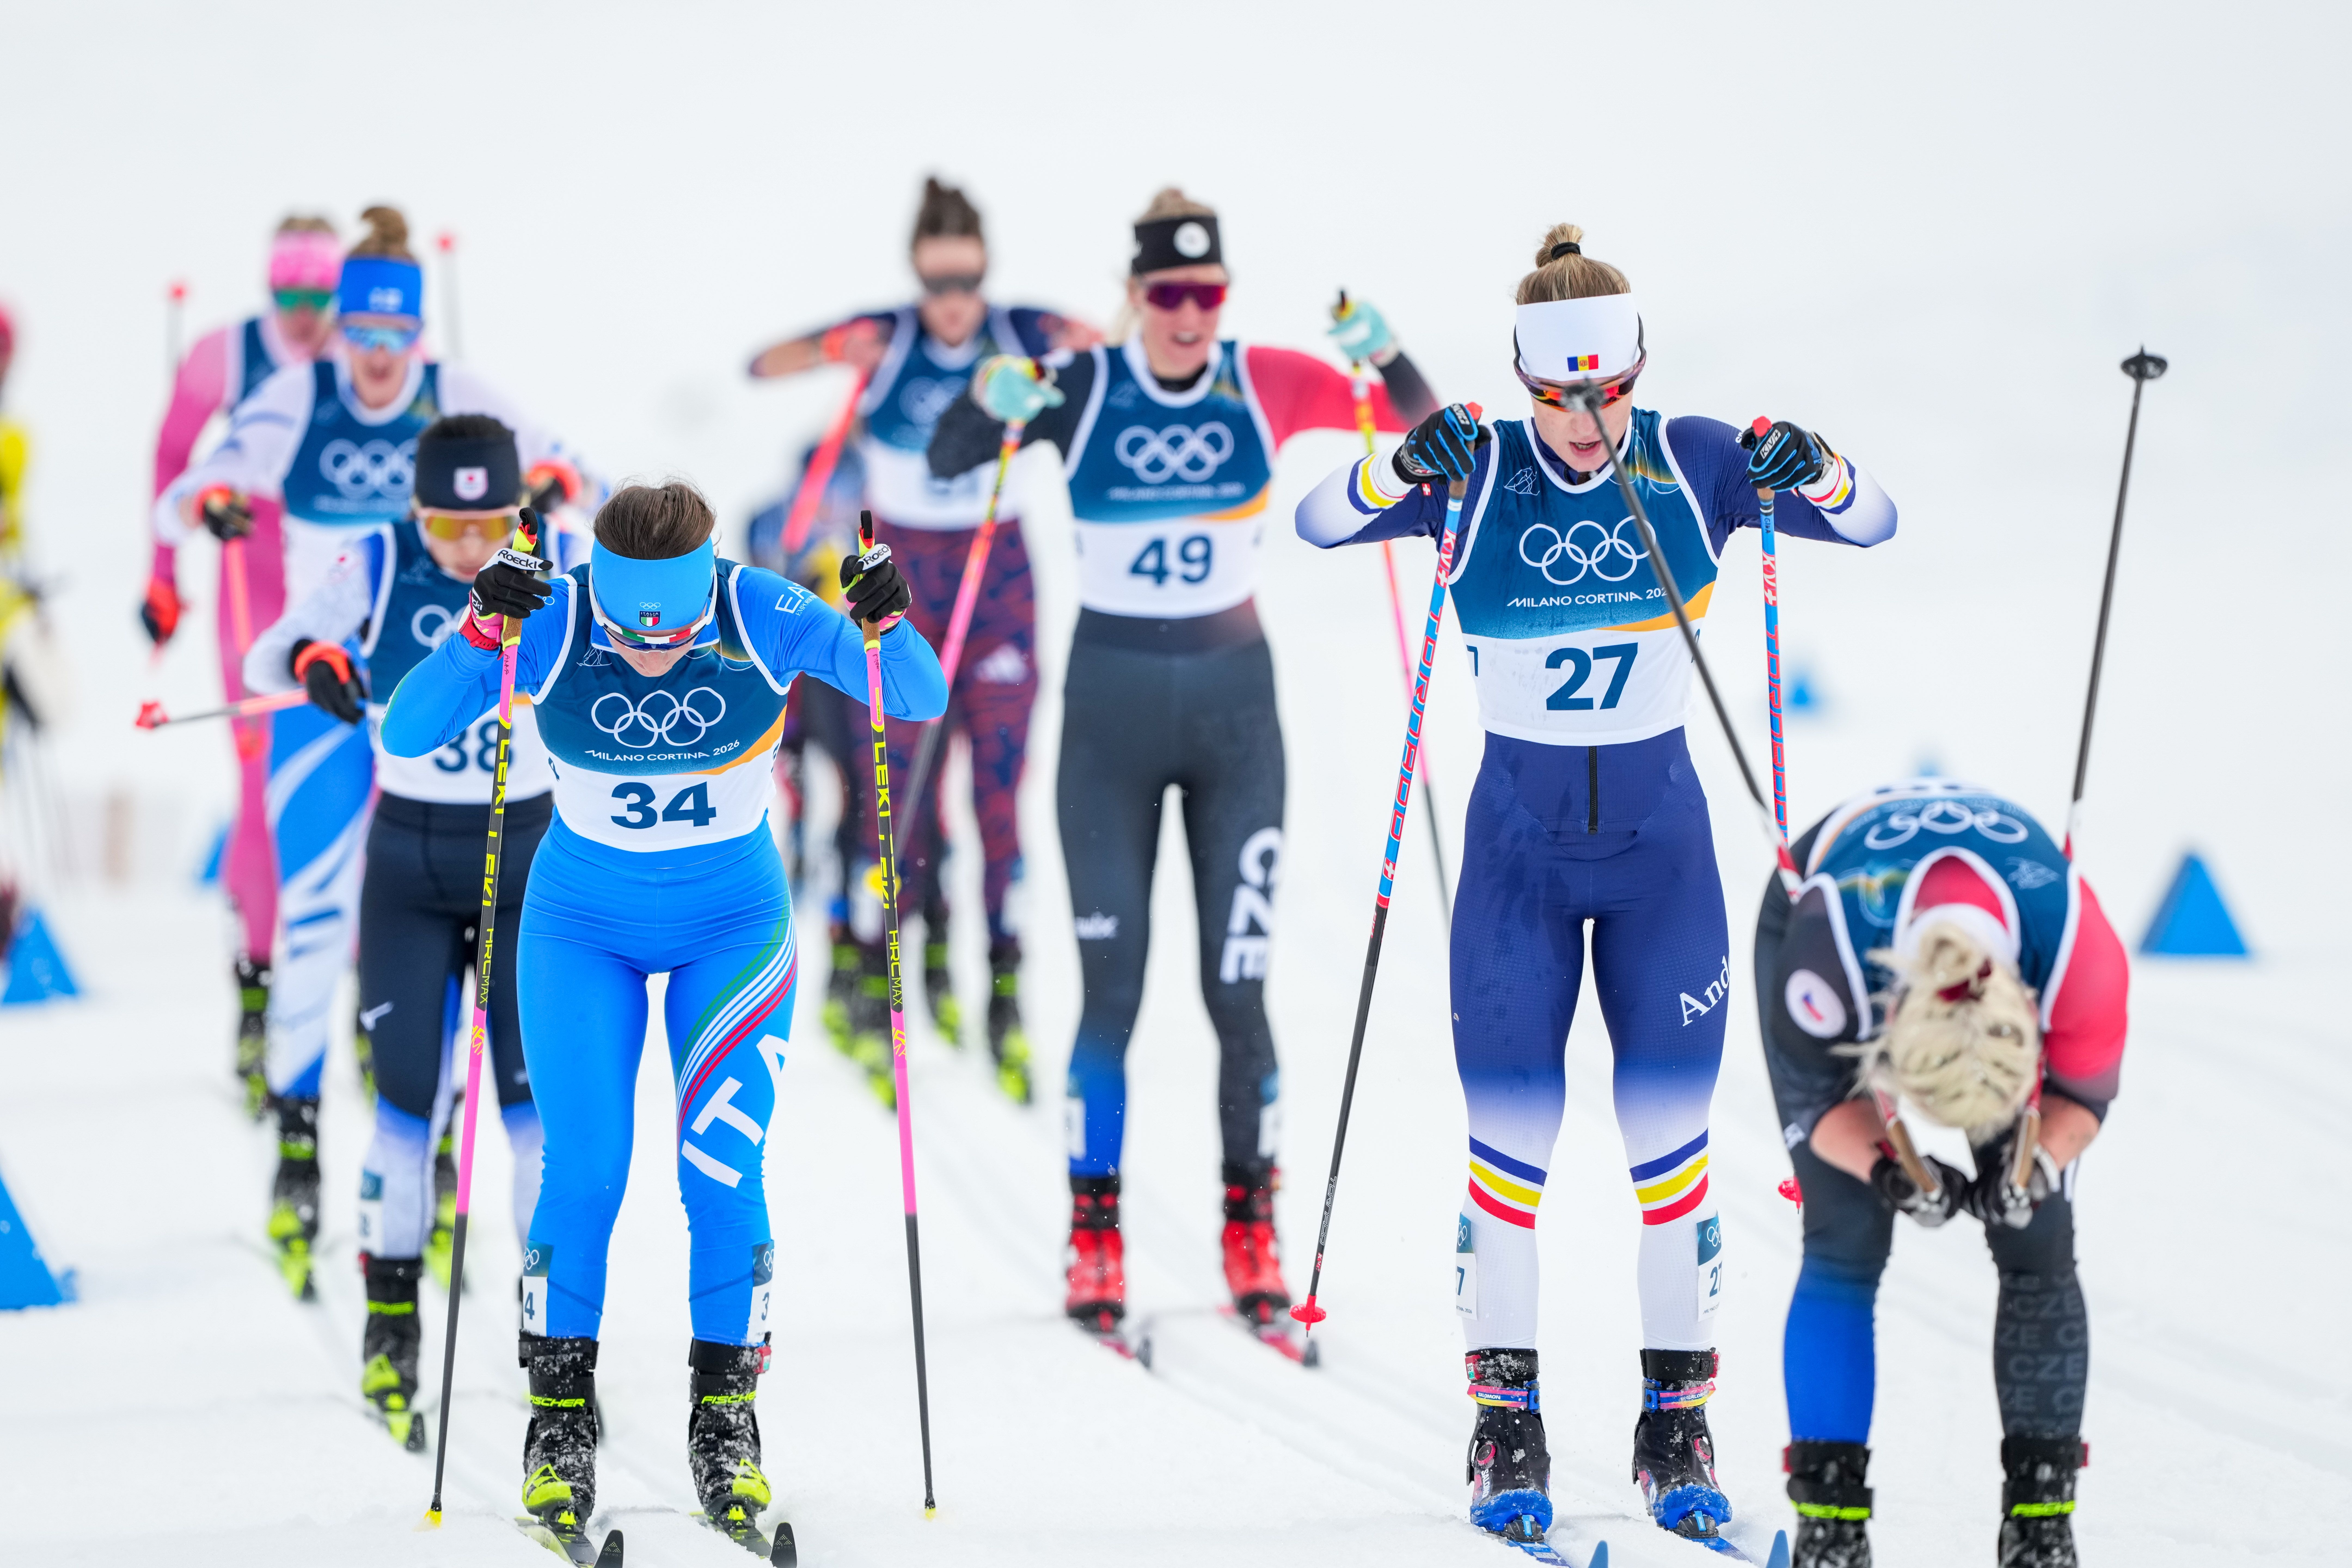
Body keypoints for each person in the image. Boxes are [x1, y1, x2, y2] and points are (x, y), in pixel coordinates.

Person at [1293, 223, 1899, 1551]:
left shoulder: (1689, 461)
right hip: (1514, 862)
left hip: (1660, 863)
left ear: (1637, 373)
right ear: (1523, 381)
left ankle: (1674, 1423)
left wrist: (1819, 461)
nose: (1584, 419)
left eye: (1607, 389)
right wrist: (1401, 458)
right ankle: (1506, 1420)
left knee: (1668, 1164)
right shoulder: (1483, 465)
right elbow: (1320, 519)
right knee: (1510, 1159)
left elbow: (1871, 519)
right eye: (1559, 393)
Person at [380, 480, 945, 1558]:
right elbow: (409, 733)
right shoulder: (552, 615)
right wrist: (481, 627)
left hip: (730, 929)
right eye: (637, 634)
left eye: (676, 633)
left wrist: (886, 619)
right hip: (578, 929)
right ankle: (558, 1427)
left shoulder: (762, 612)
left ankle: (725, 1425)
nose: (653, 653)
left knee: (721, 1173)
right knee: (584, 1171)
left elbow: (910, 697)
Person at [929, 187, 1441, 1340]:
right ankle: (1095, 1238)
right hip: (1107, 726)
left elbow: (1429, 435)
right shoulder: (1088, 386)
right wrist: (988, 397)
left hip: (1234, 726)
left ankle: (1250, 1229)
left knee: (1236, 991)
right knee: (1113, 993)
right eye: (1169, 294)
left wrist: (1388, 354)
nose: (1190, 315)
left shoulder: (1267, 381)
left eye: (1208, 294)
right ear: (1136, 296)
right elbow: (954, 458)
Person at [155, 204, 584, 1298]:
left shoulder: (463, 394)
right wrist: (212, 505)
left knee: (453, 915)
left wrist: (561, 495)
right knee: (312, 914)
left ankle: (427, 1161)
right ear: (339, 328)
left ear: (416, 331)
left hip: (435, 689)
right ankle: (299, 1153)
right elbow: (183, 494)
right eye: (362, 333)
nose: (381, 357)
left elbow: (571, 467)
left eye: (397, 334)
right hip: (325, 686)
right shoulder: (298, 395)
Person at [749, 176, 1100, 1104]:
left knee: (998, 792)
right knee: (896, 788)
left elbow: (1121, 345)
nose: (953, 302)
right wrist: (839, 348)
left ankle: (1006, 994)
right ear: (916, 274)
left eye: (968, 279)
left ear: (986, 270)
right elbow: (762, 366)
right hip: (903, 577)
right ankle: (893, 966)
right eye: (938, 281)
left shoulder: (1023, 330)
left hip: (1000, 572)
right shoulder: (890, 333)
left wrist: (1083, 343)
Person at [243, 416, 552, 1449]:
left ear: (519, 511)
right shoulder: (370, 560)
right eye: (446, 525)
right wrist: (319, 655)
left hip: (529, 871)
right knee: (403, 1113)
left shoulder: (567, 556)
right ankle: (391, 1327)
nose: (468, 549)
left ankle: (558, 1343)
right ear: (415, 512)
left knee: (533, 1122)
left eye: (490, 524)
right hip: (410, 872)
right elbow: (266, 654)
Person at [1756, 779, 2126, 1568]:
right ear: (1885, 1035)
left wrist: (2038, 1163)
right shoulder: (1828, 961)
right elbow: (1822, 1102)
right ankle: (1832, 1529)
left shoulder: (2079, 959)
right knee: (1846, 1237)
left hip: (2000, 944)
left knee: (2037, 1233)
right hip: (1829, 905)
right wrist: (1888, 1170)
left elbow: (2083, 1099)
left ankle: (2041, 1525)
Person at [143, 217, 344, 1110]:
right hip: (249, 592)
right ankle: (257, 993)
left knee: (367, 777)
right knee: (263, 788)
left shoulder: (368, 357)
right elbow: (169, 457)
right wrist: (164, 578)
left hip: (338, 591)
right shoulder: (223, 356)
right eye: (289, 298)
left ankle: (371, 1003)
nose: (304, 318)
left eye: (320, 299)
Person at [746, 438, 886, 1091]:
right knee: (815, 802)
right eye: (820, 493)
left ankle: (857, 949)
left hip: (859, 681)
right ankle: (822, 923)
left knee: (864, 809)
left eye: (842, 493)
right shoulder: (772, 520)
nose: (832, 507)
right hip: (802, 686)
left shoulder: (878, 529)